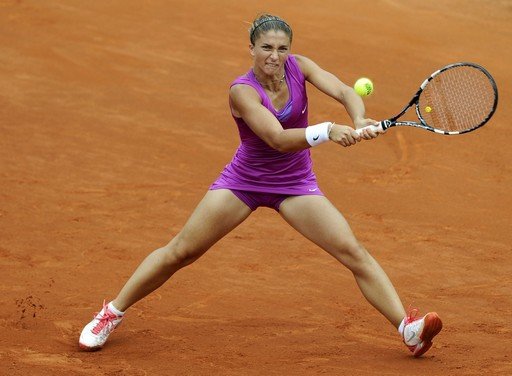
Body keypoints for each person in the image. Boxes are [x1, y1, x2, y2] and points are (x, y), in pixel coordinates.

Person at [79, 14, 442, 357]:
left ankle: (407, 330)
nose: (275, 56)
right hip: (244, 182)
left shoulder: (300, 66)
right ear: (251, 48)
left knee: (353, 251)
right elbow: (277, 139)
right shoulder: (242, 91)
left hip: (295, 185)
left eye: (282, 48)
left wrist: (359, 115)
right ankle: (112, 311)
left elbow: (345, 89)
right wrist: (329, 130)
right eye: (267, 48)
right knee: (180, 252)